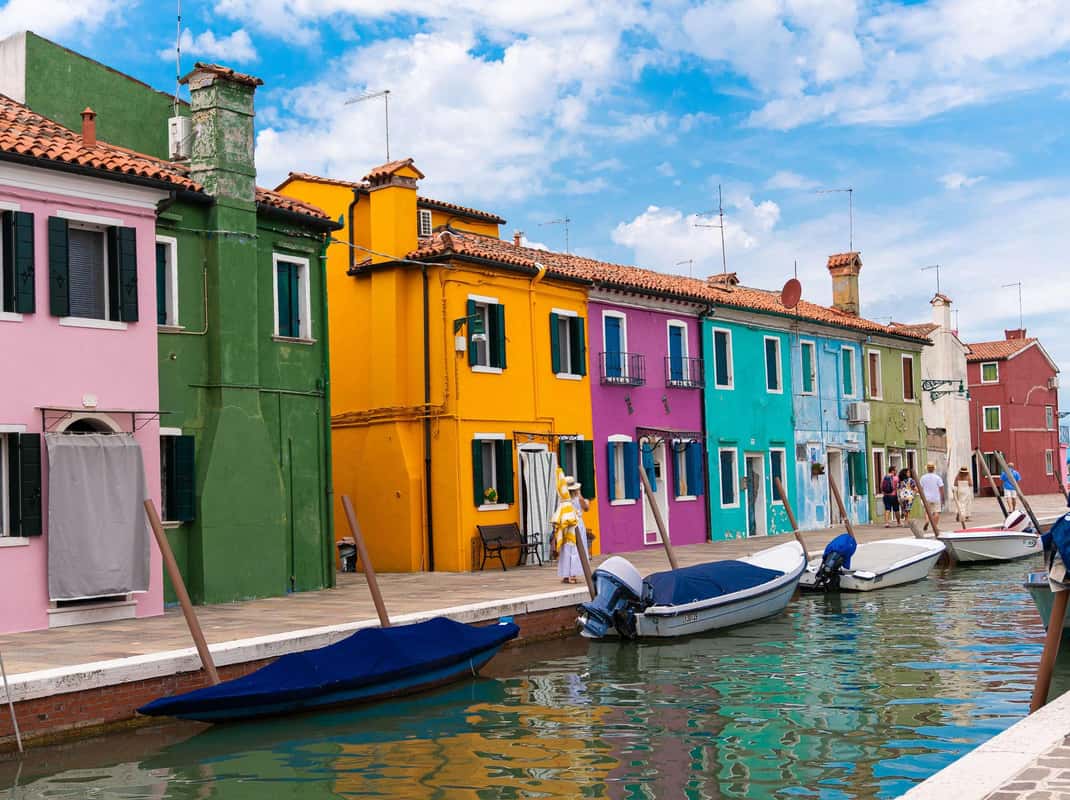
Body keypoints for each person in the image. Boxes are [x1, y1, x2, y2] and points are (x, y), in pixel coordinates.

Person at [552, 471, 584, 584]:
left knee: (566, 550)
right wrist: (580, 496)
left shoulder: (563, 500)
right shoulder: (574, 499)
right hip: (576, 526)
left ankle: (566, 574)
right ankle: (572, 575)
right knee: (575, 550)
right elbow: (586, 507)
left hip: (566, 526)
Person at [919, 463, 945, 529]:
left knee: (927, 511)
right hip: (936, 498)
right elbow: (941, 488)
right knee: (936, 512)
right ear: (934, 469)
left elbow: (920, 488)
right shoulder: (937, 477)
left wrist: (921, 497)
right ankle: (935, 526)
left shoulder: (923, 477)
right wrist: (942, 498)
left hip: (926, 498)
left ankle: (927, 520)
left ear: (927, 469)